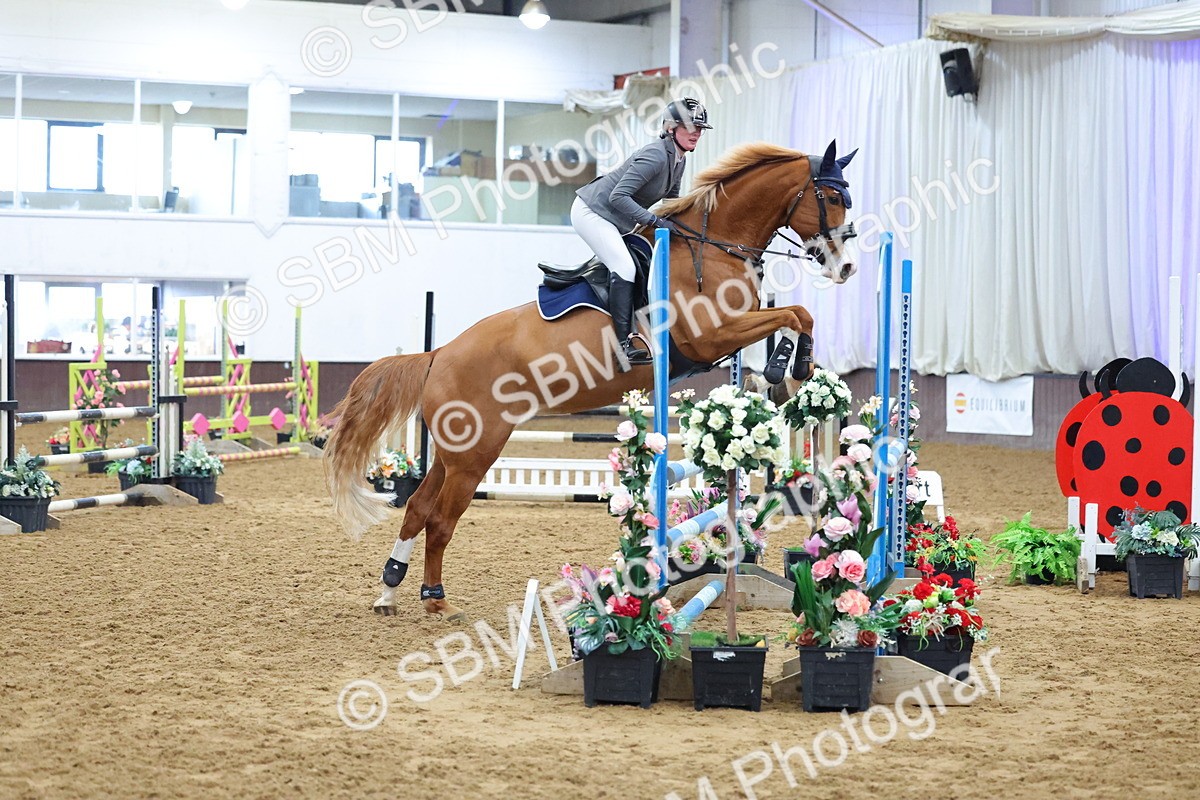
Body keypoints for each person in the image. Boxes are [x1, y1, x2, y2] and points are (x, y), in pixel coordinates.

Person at [572, 97, 712, 365]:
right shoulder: (656, 155)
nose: (697, 134)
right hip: (592, 212)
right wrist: (654, 221)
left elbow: (671, 201)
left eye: (700, 129)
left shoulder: (678, 159)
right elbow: (618, 196)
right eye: (690, 127)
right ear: (671, 128)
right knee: (625, 267)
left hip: (615, 218)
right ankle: (622, 345)